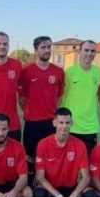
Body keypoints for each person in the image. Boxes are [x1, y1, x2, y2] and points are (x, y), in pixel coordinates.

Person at [33, 107, 100, 197]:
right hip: (52, 188)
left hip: (71, 187)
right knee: (38, 194)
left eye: (67, 123)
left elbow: (86, 177)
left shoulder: (80, 145)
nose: (64, 126)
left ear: (72, 123)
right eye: (61, 122)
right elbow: (40, 177)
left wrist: (73, 196)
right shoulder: (43, 144)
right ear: (54, 123)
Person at [18, 36, 65, 186]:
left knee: (50, 155)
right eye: (43, 47)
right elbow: (21, 98)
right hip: (32, 122)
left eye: (49, 47)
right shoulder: (26, 71)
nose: (47, 50)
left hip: (51, 122)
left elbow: (60, 95)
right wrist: (29, 111)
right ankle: (30, 185)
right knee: (31, 157)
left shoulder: (58, 71)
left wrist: (53, 112)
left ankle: (47, 187)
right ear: (35, 50)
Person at [61, 40, 100, 155]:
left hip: (90, 127)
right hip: (71, 125)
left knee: (88, 161)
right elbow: (61, 97)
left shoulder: (99, 73)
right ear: (79, 51)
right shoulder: (69, 72)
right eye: (86, 50)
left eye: (93, 51)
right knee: (70, 161)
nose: (89, 53)